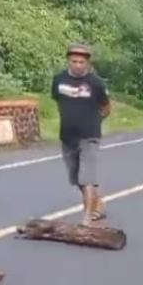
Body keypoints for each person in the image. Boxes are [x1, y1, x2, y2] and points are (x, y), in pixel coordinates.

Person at [52, 43, 111, 226]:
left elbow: (106, 107)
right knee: (77, 178)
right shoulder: (59, 80)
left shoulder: (96, 83)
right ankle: (98, 203)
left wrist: (94, 122)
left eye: (81, 62)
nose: (78, 65)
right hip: (68, 137)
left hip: (89, 136)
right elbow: (58, 101)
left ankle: (87, 219)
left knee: (87, 179)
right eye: (74, 61)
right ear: (68, 61)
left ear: (88, 63)